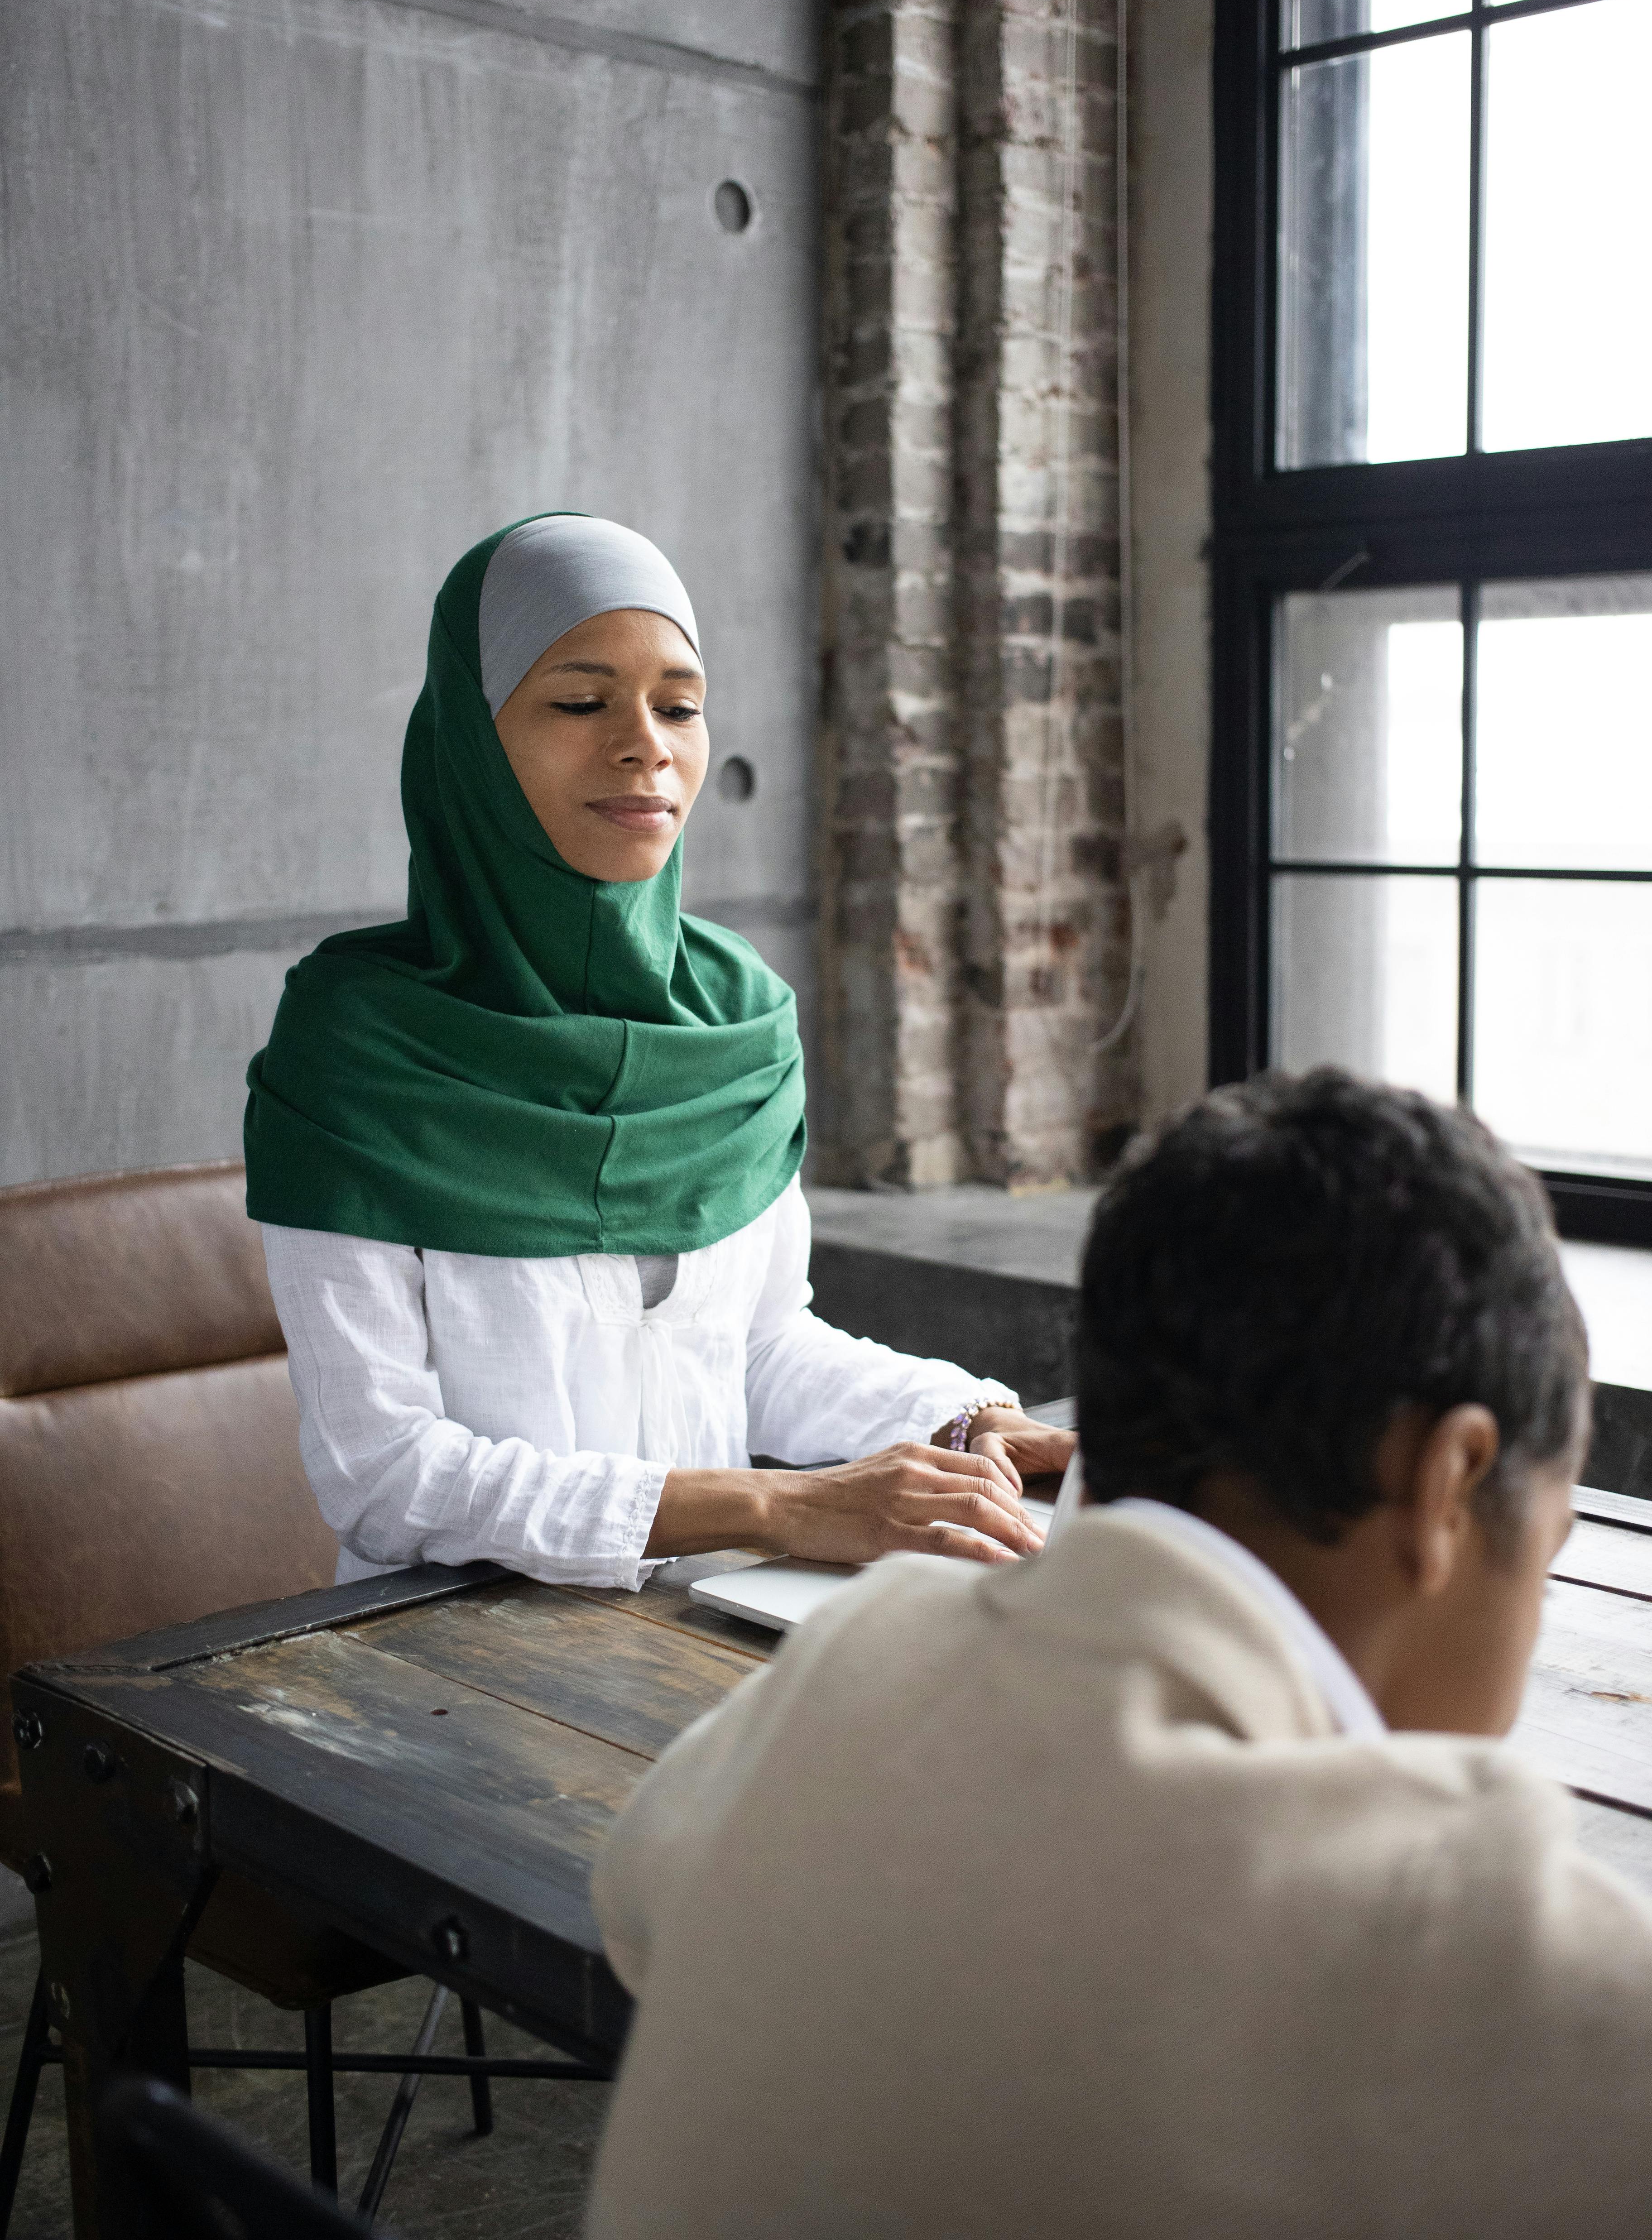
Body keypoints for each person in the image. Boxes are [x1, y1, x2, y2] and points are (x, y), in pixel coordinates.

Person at [586, 1068, 1652, 2239]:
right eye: (1546, 1542)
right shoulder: (1465, 1928)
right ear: (1447, 1483)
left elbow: (635, 1897)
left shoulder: (853, 1660)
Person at [245, 513, 1071, 1588]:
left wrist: (966, 1422)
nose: (648, 745)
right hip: (444, 1670)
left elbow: (761, 1348)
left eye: (679, 706)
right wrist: (782, 1506)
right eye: (581, 703)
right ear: (472, 741)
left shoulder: (738, 1019)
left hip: (708, 1629)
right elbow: (385, 1473)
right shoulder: (354, 1046)